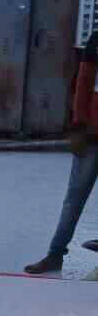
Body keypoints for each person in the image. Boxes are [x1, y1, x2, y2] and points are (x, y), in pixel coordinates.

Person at [24, 31, 98, 274]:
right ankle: (55, 255)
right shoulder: (97, 40)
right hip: (91, 136)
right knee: (74, 199)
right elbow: (83, 84)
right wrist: (78, 126)